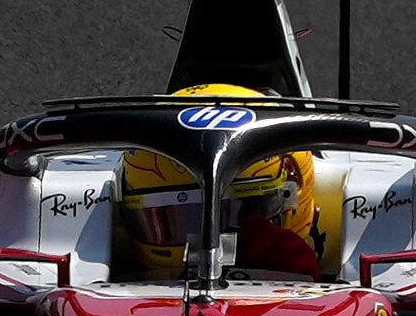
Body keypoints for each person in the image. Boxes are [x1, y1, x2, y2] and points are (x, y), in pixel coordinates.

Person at [108, 83, 350, 281]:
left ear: (290, 196)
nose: (203, 244)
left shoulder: (284, 255)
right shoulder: (105, 239)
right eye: (171, 220)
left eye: (234, 215)